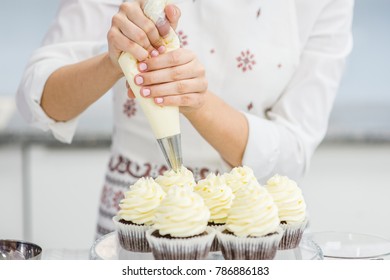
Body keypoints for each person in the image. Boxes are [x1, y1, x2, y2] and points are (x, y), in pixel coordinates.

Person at [16, 0, 353, 238]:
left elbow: (293, 152)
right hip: (139, 215)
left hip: (252, 226)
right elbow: (38, 98)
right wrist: (114, 61)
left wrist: (198, 101)